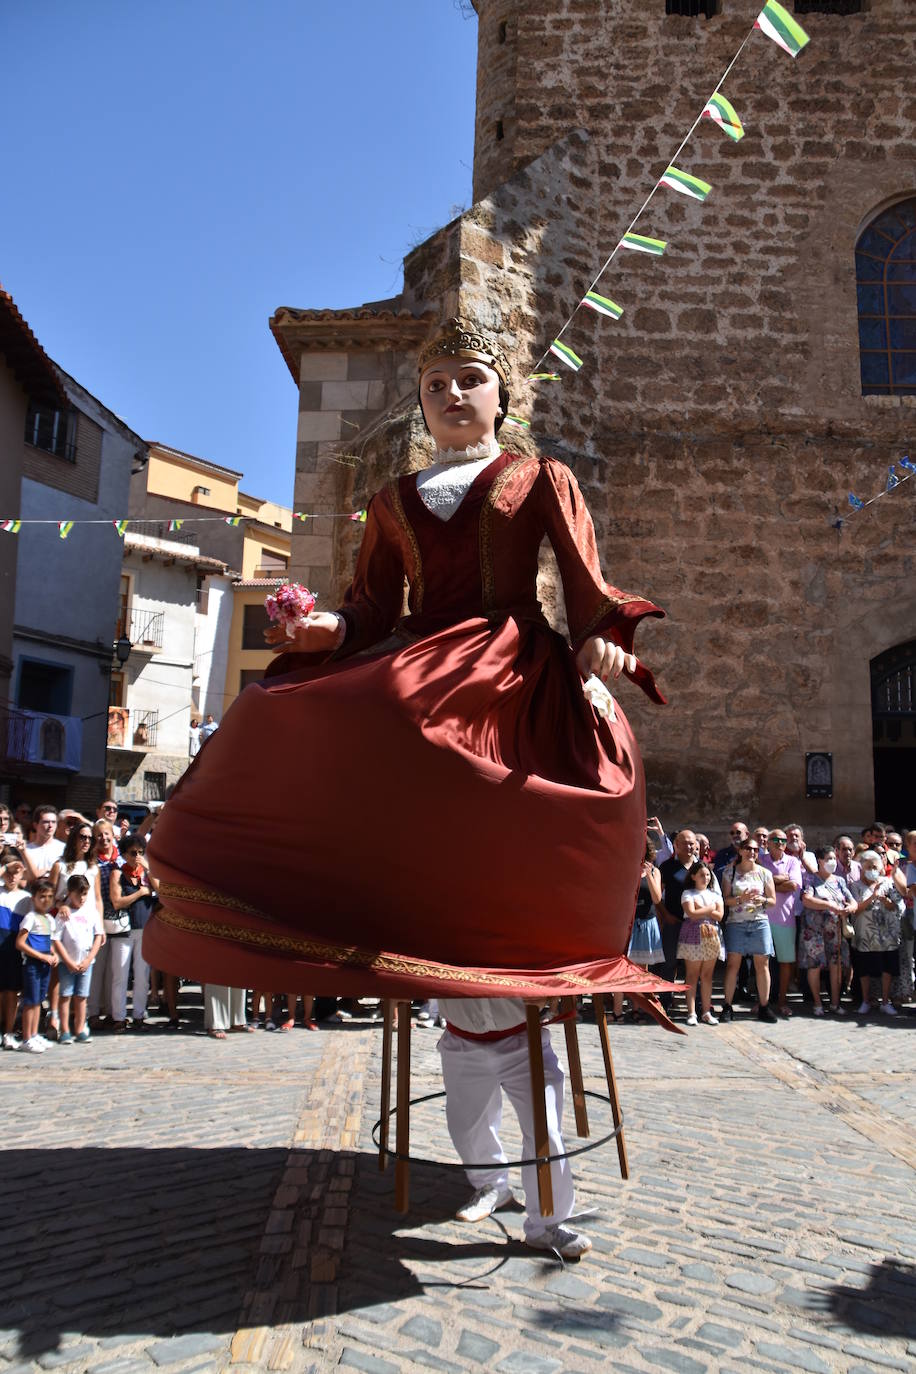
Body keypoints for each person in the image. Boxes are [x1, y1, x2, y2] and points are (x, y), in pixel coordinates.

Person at [145, 316, 667, 1016]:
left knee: (418, 717)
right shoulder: (391, 499)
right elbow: (370, 607)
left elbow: (583, 575)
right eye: (435, 385)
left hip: (507, 646)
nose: (452, 393)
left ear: (500, 399)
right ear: (421, 404)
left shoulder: (540, 477)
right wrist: (325, 627)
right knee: (297, 705)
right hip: (421, 648)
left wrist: (601, 636)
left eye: (469, 381)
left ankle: (503, 902)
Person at [437, 995, 590, 1259]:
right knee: (466, 1127)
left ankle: (547, 1223)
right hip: (462, 1041)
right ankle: (491, 1185)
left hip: (523, 1037)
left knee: (546, 1129)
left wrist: (550, 990)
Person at [721, 839, 777, 1023]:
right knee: (733, 965)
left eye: (755, 849)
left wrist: (763, 900)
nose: (752, 852)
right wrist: (741, 899)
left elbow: (772, 900)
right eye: (748, 848)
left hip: (759, 922)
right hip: (736, 922)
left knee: (762, 964)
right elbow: (725, 899)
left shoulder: (765, 873)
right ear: (741, 850)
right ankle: (727, 1006)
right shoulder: (730, 872)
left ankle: (764, 1005)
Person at [799, 846, 856, 1016]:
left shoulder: (840, 881)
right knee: (814, 965)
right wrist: (829, 905)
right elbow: (807, 900)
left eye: (833, 858)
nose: (832, 862)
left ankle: (835, 1003)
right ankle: (817, 1003)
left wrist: (850, 908)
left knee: (835, 965)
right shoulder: (810, 878)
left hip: (835, 930)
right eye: (828, 859)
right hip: (814, 930)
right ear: (819, 861)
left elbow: (852, 901)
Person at [109, 832, 158, 1028]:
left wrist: (149, 870)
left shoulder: (146, 872)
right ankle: (119, 1017)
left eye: (140, 852)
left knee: (142, 975)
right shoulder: (118, 874)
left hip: (145, 930)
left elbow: (161, 890)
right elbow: (117, 902)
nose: (136, 856)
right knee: (120, 976)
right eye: (132, 852)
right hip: (124, 930)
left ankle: (139, 1015)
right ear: (123, 854)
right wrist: (140, 893)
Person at [612, 839, 663, 1021]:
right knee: (621, 968)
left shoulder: (655, 871)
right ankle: (617, 1012)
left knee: (641, 970)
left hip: (647, 922)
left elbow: (657, 899)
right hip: (628, 924)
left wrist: (648, 874)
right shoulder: (624, 869)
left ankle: (637, 1009)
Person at [849, 850, 905, 1016]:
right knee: (864, 969)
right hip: (864, 937)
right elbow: (855, 909)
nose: (872, 869)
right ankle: (866, 1001)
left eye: (875, 867)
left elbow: (897, 906)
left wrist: (885, 900)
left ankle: (885, 1002)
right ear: (861, 868)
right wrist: (873, 896)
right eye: (868, 867)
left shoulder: (888, 883)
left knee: (887, 968)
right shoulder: (855, 886)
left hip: (887, 936)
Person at [757, 829, 803, 1018]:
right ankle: (762, 1002)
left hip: (785, 919)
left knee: (785, 962)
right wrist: (779, 880)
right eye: (775, 839)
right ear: (767, 842)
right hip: (762, 919)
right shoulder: (760, 860)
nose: (779, 843)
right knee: (762, 962)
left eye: (783, 840)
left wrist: (769, 883)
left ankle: (782, 1001)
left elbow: (793, 885)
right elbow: (756, 883)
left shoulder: (793, 861)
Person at [52, 874, 103, 1044]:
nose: (81, 898)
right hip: (68, 962)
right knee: (65, 995)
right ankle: (65, 1029)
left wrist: (89, 959)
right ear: (69, 893)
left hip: (85, 963)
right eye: (77, 894)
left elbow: (98, 937)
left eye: (84, 894)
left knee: (82, 997)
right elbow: (56, 939)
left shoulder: (91, 912)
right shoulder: (64, 913)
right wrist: (67, 960)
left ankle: (80, 1027)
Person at [677, 859, 724, 1026]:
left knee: (707, 975)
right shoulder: (688, 893)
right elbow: (691, 913)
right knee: (692, 975)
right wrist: (710, 909)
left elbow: (719, 916)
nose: (706, 878)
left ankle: (705, 1011)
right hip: (693, 934)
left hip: (711, 934)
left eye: (708, 875)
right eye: (702, 875)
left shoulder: (715, 895)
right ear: (694, 876)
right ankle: (691, 1012)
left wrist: (702, 909)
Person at [15, 878, 59, 1053]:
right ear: (33, 898)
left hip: (45, 964)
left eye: (49, 896)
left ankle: (34, 1034)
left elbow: (50, 942)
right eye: (42, 896)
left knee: (39, 1000)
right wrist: (40, 956)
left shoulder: (49, 918)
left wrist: (53, 954)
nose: (46, 900)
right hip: (32, 964)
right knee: (30, 1001)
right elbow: (20, 943)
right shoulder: (30, 918)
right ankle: (26, 1037)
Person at [0, 846, 31, 1049]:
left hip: (13, 949)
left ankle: (9, 1031)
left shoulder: (26, 898)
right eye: (8, 872)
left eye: (16, 871)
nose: (12, 876)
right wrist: (5, 866)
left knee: (11, 992)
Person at [22, 806, 65, 882]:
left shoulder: (64, 848)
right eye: (46, 822)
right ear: (35, 825)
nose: (50, 826)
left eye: (54, 822)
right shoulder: (26, 850)